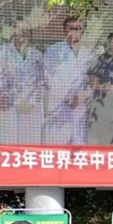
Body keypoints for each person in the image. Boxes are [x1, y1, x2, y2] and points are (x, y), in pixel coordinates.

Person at [0, 14, 44, 143]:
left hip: (31, 112)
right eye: (17, 28)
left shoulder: (37, 55)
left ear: (29, 33)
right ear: (12, 30)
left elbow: (41, 82)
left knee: (29, 151)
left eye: (24, 30)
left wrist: (30, 103)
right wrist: (17, 101)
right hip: (7, 110)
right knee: (7, 149)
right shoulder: (0, 52)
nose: (20, 33)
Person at [44, 16, 94, 145]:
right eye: (70, 28)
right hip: (59, 105)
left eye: (77, 29)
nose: (74, 32)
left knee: (78, 146)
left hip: (80, 106)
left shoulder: (89, 54)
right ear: (64, 31)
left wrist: (81, 96)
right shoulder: (53, 51)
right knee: (58, 147)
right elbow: (49, 78)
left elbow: (92, 81)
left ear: (82, 33)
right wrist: (67, 97)